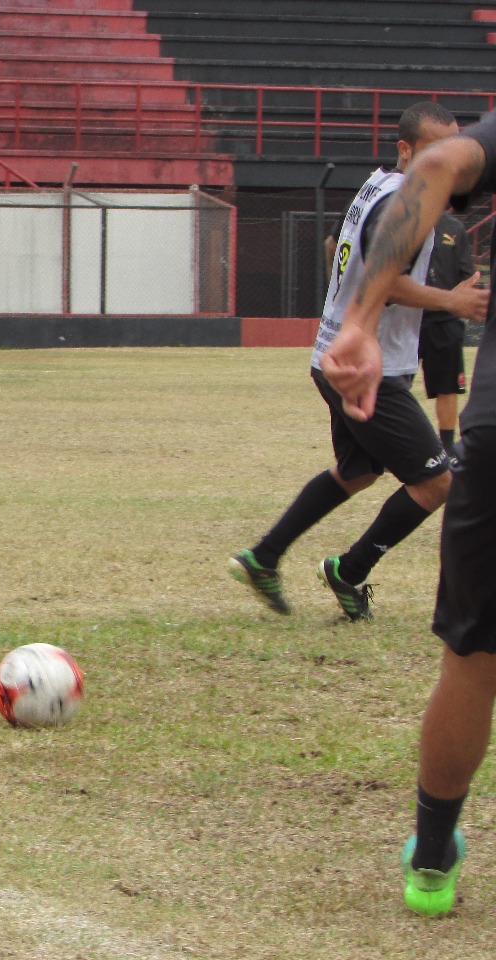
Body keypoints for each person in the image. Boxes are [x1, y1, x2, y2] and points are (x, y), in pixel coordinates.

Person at [321, 108, 496, 918]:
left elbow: (434, 173)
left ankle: (431, 859)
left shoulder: (420, 168)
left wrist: (355, 320)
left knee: (475, 656)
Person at [229, 102, 487, 621]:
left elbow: (341, 251)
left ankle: (265, 556)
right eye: (436, 150)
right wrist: (452, 301)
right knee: (438, 482)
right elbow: (385, 281)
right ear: (406, 150)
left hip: (334, 354)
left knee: (358, 471)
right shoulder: (406, 204)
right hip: (369, 368)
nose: (449, 163)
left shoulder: (374, 185)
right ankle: (350, 569)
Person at [418, 210, 476, 464]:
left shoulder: (454, 229)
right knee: (392, 383)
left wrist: (452, 302)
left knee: (448, 387)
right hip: (408, 318)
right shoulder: (407, 223)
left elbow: (468, 276)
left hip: (445, 321)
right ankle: (388, 444)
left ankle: (447, 448)